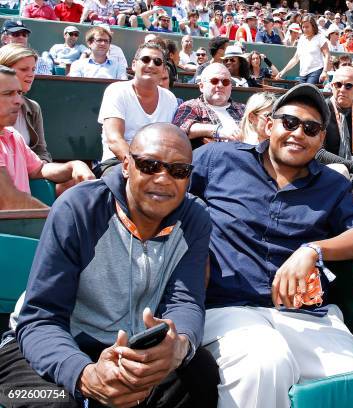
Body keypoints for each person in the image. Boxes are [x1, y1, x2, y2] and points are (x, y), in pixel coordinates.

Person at [189, 83, 353, 408]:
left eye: (310, 128)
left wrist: (314, 250)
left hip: (304, 315)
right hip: (230, 308)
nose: (298, 134)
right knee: (265, 361)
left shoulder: (332, 184)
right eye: (289, 122)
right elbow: (164, 181)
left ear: (321, 139)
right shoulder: (217, 159)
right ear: (269, 125)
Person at [0, 123, 220, 407]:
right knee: (54, 402)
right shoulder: (78, 208)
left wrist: (178, 346)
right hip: (41, 341)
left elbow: (186, 300)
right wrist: (85, 376)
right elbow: (42, 317)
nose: (164, 179)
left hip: (131, 346)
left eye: (179, 171)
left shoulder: (194, 217)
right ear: (126, 165)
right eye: (150, 165)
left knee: (199, 372)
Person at [0, 65, 93, 210]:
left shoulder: (13, 135)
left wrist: (74, 166)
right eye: (8, 93)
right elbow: (10, 201)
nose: (19, 100)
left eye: (18, 93)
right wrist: (56, 219)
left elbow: (39, 169)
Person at [97, 42, 177, 175]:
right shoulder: (116, 91)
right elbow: (114, 140)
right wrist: (140, 167)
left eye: (157, 62)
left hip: (157, 165)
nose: (151, 65)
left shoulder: (170, 99)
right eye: (145, 59)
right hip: (118, 162)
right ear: (134, 64)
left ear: (163, 69)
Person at [172, 63, 245, 149]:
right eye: (214, 81)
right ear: (201, 86)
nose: (220, 85)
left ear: (231, 87)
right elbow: (180, 129)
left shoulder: (244, 109)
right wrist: (218, 130)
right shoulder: (191, 106)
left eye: (225, 82)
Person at [0, 45, 51, 162]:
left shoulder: (33, 107)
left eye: (33, 69)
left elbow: (41, 151)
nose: (31, 74)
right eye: (24, 69)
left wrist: (41, 167)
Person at [277, 15, 330, 85]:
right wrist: (283, 71)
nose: (305, 29)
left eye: (307, 27)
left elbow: (327, 54)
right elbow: (295, 58)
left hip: (316, 71)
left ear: (313, 26)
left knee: (308, 91)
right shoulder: (301, 39)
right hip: (302, 74)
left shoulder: (320, 37)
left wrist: (325, 71)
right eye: (303, 27)